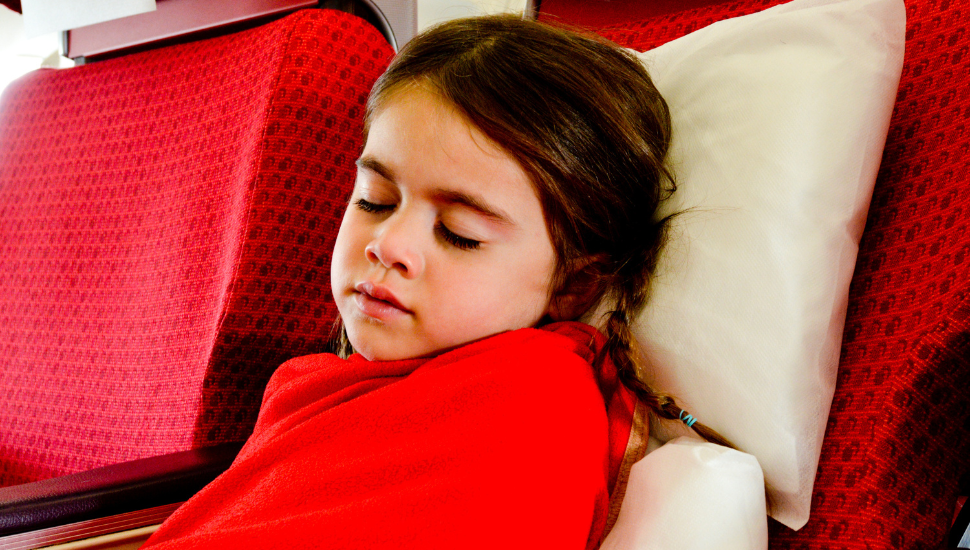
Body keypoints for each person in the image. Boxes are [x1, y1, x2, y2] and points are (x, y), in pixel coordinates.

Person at [141, 13, 727, 550]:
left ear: (574, 285)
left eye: (458, 233)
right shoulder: (309, 384)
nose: (387, 245)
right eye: (374, 200)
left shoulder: (532, 409)